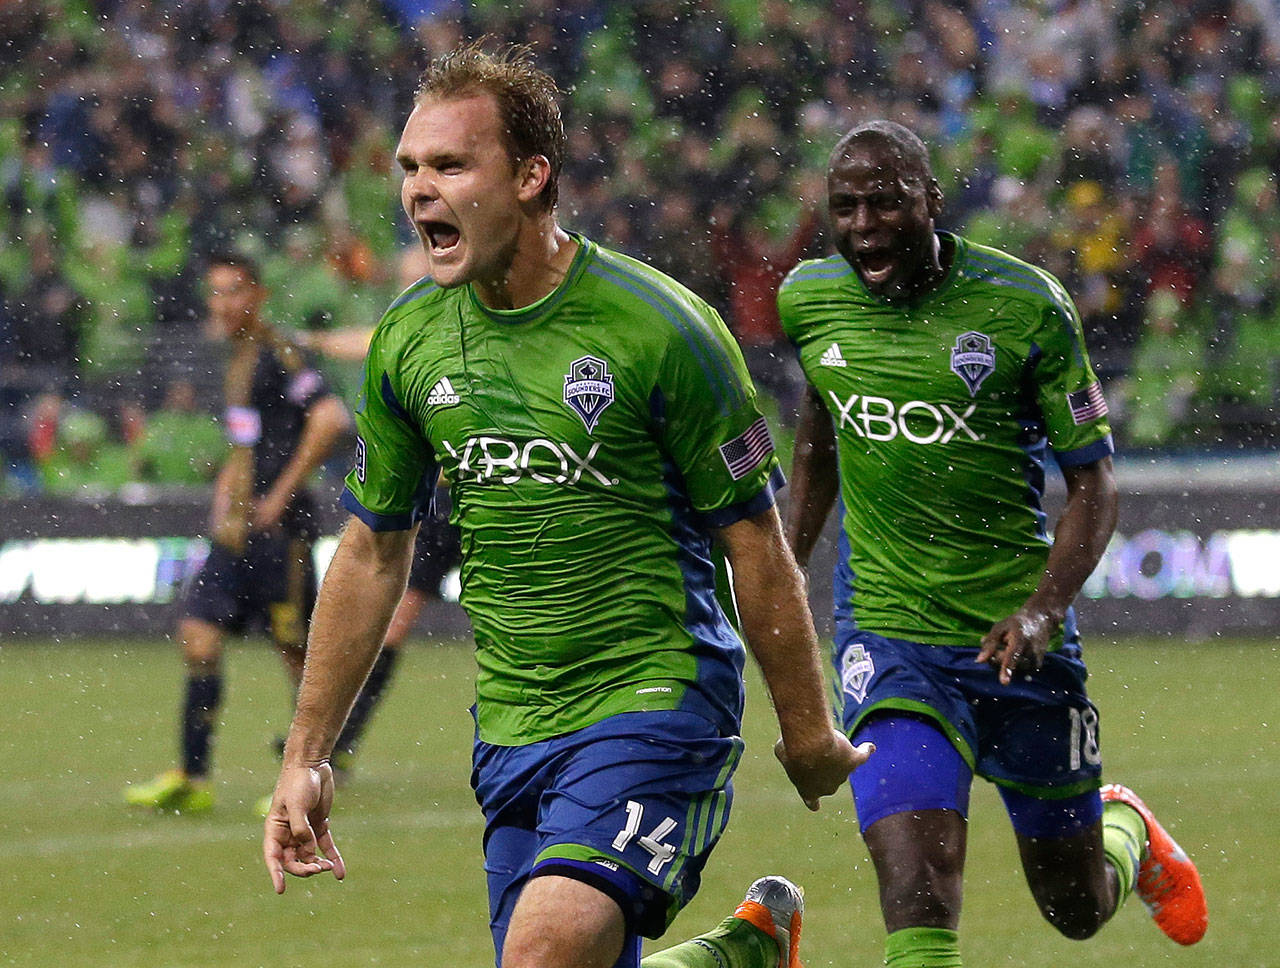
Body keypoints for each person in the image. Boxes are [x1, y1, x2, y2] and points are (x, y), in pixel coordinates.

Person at [262, 43, 870, 968]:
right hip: (511, 724)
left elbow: (754, 543)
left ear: (532, 176)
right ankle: (739, 956)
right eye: (411, 168)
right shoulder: (409, 343)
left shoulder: (662, 330)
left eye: (452, 165)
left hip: (656, 702)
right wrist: (306, 753)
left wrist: (807, 728)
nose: (421, 190)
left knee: (543, 955)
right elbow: (372, 551)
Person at [779, 120, 1208, 968]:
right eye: (846, 207)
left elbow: (1094, 484)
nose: (863, 224)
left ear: (932, 202)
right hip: (890, 640)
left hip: (1016, 642)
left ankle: (1125, 830)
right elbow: (820, 431)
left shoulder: (1025, 306)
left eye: (886, 203)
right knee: (918, 894)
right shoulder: (809, 298)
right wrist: (786, 561)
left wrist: (1044, 611)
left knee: (1076, 908)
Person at [124, 252, 352, 814]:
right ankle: (193, 777)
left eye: (233, 292)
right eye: (214, 293)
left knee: (296, 654)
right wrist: (227, 488)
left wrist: (279, 494)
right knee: (198, 634)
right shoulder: (238, 360)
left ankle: (312, 779)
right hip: (238, 535)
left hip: (283, 533)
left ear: (258, 295)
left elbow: (330, 420)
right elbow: (247, 439)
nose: (222, 304)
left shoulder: (280, 352)